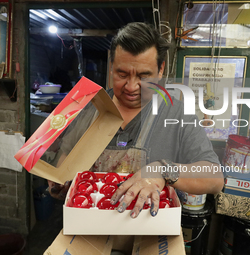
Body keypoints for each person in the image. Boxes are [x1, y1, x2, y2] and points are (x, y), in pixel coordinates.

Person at [48, 22, 224, 219]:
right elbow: (63, 163)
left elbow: (215, 177)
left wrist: (163, 170)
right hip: (89, 230)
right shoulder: (89, 108)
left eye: (143, 76)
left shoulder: (177, 114)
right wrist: (58, 182)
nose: (131, 87)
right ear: (111, 67)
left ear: (160, 70)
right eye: (122, 74)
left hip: (149, 235)